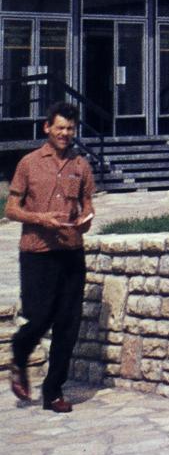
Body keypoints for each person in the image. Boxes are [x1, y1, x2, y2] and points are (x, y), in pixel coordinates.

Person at [6, 101, 95, 414]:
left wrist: (86, 218)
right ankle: (19, 352)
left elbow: (87, 206)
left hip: (71, 252)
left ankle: (53, 392)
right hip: (37, 252)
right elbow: (10, 209)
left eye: (70, 129)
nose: (65, 134)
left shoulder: (81, 165)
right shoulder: (28, 164)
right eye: (60, 128)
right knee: (40, 317)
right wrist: (42, 219)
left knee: (68, 326)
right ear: (47, 128)